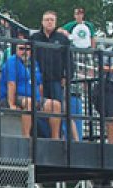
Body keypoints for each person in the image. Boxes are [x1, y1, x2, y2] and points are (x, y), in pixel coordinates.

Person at [0, 40, 63, 138]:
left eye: (28, 49)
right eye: (21, 48)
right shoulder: (11, 62)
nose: (25, 51)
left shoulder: (34, 63)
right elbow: (11, 84)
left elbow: (39, 85)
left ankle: (55, 139)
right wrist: (11, 104)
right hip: (11, 98)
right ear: (16, 50)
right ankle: (26, 137)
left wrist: (41, 102)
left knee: (56, 105)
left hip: (33, 99)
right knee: (30, 103)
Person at [30, 11, 77, 141]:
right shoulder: (35, 38)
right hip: (38, 79)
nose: (49, 22)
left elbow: (69, 60)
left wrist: (67, 77)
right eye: (47, 19)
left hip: (56, 80)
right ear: (42, 21)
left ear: (55, 22)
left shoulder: (62, 39)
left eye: (52, 20)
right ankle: (40, 134)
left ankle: (57, 135)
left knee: (57, 108)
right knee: (39, 106)